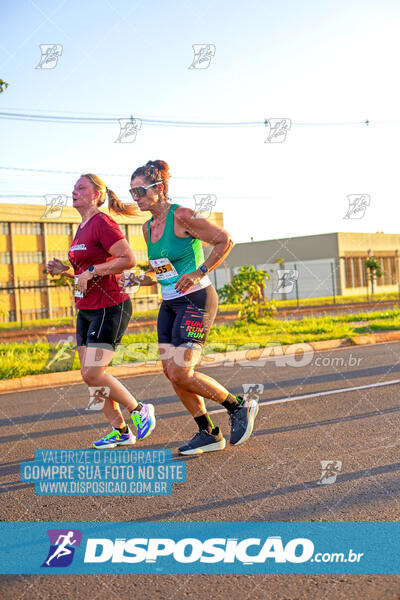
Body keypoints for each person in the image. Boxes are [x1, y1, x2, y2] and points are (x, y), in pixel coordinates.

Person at [121, 160, 259, 455]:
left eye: (141, 191)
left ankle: (238, 406)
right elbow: (163, 272)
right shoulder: (147, 229)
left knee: (183, 371)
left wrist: (199, 271)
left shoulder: (182, 216)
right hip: (169, 304)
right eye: (132, 192)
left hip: (196, 300)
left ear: (158, 188)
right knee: (171, 372)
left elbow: (225, 240)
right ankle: (208, 432)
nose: (137, 198)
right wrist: (138, 278)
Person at [46, 173, 156, 449]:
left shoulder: (102, 222)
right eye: (73, 188)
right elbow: (86, 271)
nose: (74, 191)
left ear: (96, 195)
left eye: (81, 188)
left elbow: (127, 259)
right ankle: (120, 431)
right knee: (88, 375)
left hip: (110, 305)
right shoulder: (81, 226)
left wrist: (92, 270)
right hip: (85, 308)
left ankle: (139, 409)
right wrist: (65, 271)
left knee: (94, 373)